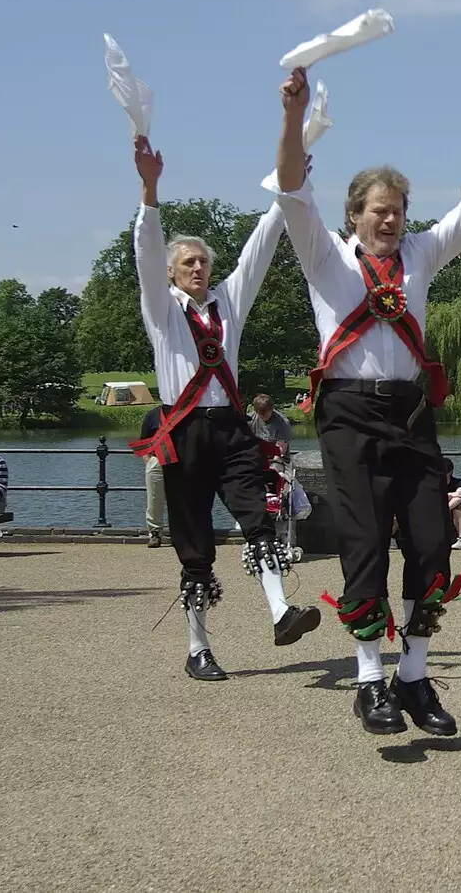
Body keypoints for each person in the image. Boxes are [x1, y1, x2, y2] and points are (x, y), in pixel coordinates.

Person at [274, 65, 461, 737]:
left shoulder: (420, 254)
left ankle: (413, 677)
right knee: (363, 545)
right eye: (377, 209)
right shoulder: (324, 256)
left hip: (410, 414)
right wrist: (292, 116)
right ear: (354, 216)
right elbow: (292, 191)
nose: (390, 218)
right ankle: (369, 683)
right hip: (348, 416)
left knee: (431, 541)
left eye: (397, 208)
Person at [128, 137, 320, 683]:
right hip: (184, 430)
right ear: (171, 273)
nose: (198, 269)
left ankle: (281, 610)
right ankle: (198, 647)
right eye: (188, 262)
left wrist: (288, 189)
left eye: (203, 262)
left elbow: (260, 246)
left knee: (258, 517)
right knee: (195, 544)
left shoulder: (229, 302)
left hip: (231, 430)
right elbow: (146, 252)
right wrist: (149, 191)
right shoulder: (162, 311)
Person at [139, 407, 166, 548]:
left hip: (184, 462)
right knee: (154, 501)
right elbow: (143, 441)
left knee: (185, 500)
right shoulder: (153, 414)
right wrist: (149, 461)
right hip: (158, 460)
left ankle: (186, 535)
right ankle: (155, 534)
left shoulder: (189, 412)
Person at [443, 458, 461, 543]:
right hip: (436, 509)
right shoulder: (433, 483)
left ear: (450, 472)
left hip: (449, 510)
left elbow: (460, 495)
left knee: (458, 506)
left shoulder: (458, 482)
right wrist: (450, 495)